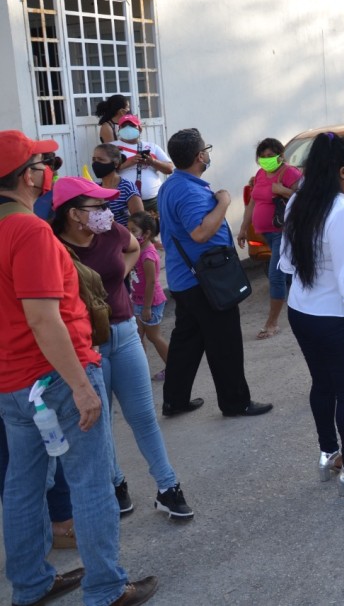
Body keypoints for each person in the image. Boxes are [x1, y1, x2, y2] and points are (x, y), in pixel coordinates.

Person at [0, 131, 158, 606]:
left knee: (23, 486)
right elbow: (44, 318)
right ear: (28, 176)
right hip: (56, 378)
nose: (46, 168)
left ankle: (30, 584)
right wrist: (81, 387)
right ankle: (107, 589)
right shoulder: (29, 232)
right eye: (42, 161)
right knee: (90, 481)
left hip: (13, 383)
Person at [52, 178, 194, 520]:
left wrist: (115, 277)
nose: (106, 213)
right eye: (97, 207)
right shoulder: (53, 247)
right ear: (73, 214)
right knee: (103, 423)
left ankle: (167, 487)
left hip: (126, 333)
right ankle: (116, 483)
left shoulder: (112, 231)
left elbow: (134, 249)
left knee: (143, 416)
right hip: (87, 345)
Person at [280, 132, 344, 494]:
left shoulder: (300, 201)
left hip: (303, 310)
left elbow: (290, 263)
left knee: (323, 385)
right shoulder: (340, 212)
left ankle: (330, 453)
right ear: (342, 171)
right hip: (337, 320)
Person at [159, 128, 272, 419]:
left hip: (186, 279)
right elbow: (200, 232)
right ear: (199, 156)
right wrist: (223, 201)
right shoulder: (186, 189)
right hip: (204, 281)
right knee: (225, 343)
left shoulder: (174, 184)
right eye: (206, 150)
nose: (208, 154)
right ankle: (236, 403)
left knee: (187, 340)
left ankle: (175, 399)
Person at [237, 138, 302, 340]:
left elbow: (305, 197)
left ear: (280, 156)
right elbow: (253, 203)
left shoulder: (289, 173)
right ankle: (303, 307)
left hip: (282, 232)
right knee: (290, 272)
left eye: (270, 156)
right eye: (262, 157)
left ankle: (272, 323)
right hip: (266, 234)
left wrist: (283, 191)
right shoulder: (260, 174)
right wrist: (243, 228)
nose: (266, 160)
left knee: (276, 275)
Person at [127, 212, 169, 381]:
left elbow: (151, 283)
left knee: (154, 336)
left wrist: (146, 307)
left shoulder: (147, 256)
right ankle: (140, 372)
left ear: (146, 234)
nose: (129, 234)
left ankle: (174, 368)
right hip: (138, 301)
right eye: (128, 230)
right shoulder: (136, 250)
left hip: (150, 303)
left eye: (133, 231)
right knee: (138, 336)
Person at [112, 115, 173, 213]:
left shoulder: (153, 147)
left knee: (157, 227)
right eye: (124, 126)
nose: (128, 129)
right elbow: (105, 170)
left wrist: (152, 162)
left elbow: (170, 168)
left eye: (132, 125)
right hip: (125, 200)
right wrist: (128, 163)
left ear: (140, 129)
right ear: (119, 130)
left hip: (153, 200)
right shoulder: (112, 147)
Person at [91, 144, 144, 228]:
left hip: (124, 237)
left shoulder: (127, 187)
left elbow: (139, 219)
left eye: (101, 160)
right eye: (94, 160)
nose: (96, 164)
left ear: (115, 164)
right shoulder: (94, 188)